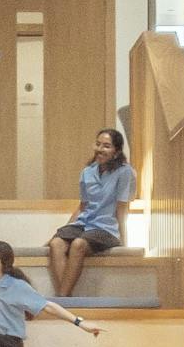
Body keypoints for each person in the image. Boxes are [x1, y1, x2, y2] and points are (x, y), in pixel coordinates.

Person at [48, 126, 138, 298]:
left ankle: (62, 299)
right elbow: (83, 206)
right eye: (98, 144)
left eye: (106, 146)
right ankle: (66, 298)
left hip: (106, 228)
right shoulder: (87, 172)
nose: (100, 149)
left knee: (78, 245)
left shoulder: (124, 172)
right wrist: (64, 230)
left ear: (116, 151)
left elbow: (121, 208)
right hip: (84, 224)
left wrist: (124, 240)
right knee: (56, 243)